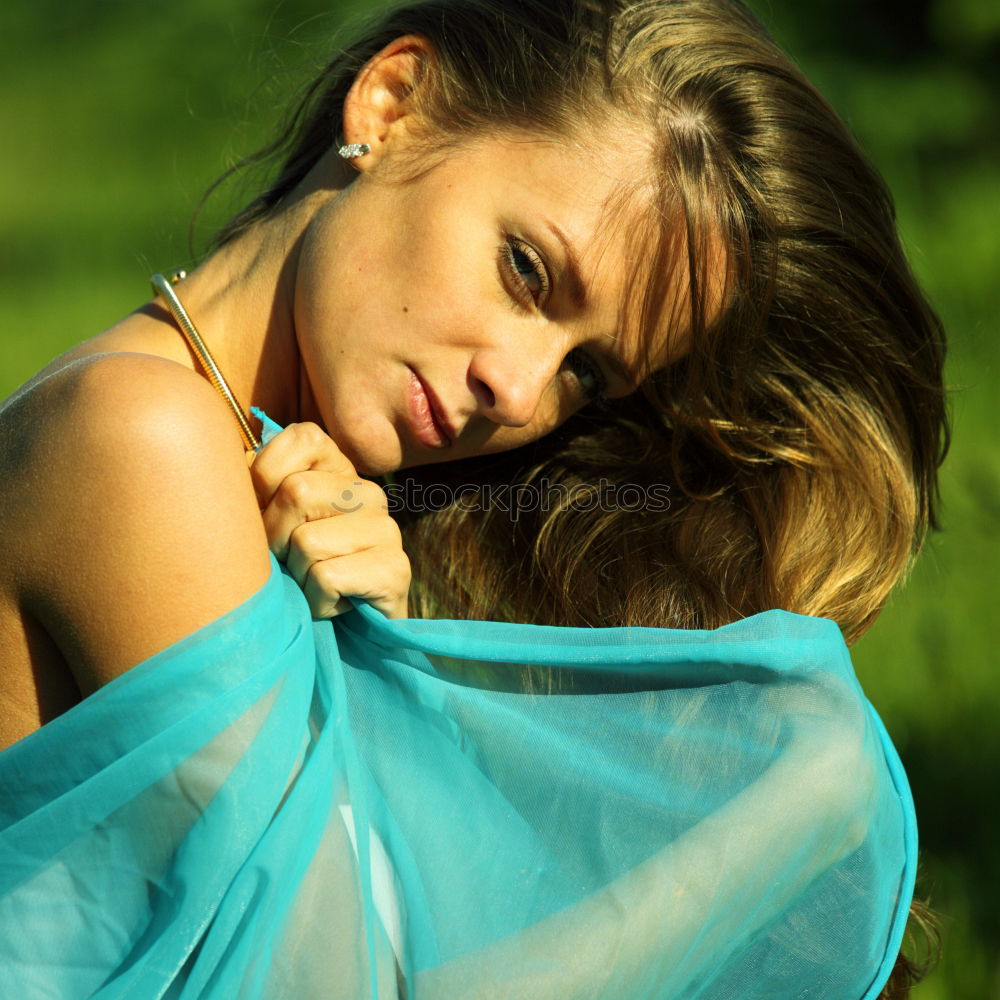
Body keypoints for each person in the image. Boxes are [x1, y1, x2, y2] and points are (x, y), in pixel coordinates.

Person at [0, 0, 945, 997]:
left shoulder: (257, 475)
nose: (521, 388)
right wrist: (788, 816)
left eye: (587, 373)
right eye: (525, 270)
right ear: (392, 101)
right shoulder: (144, 437)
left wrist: (367, 655)